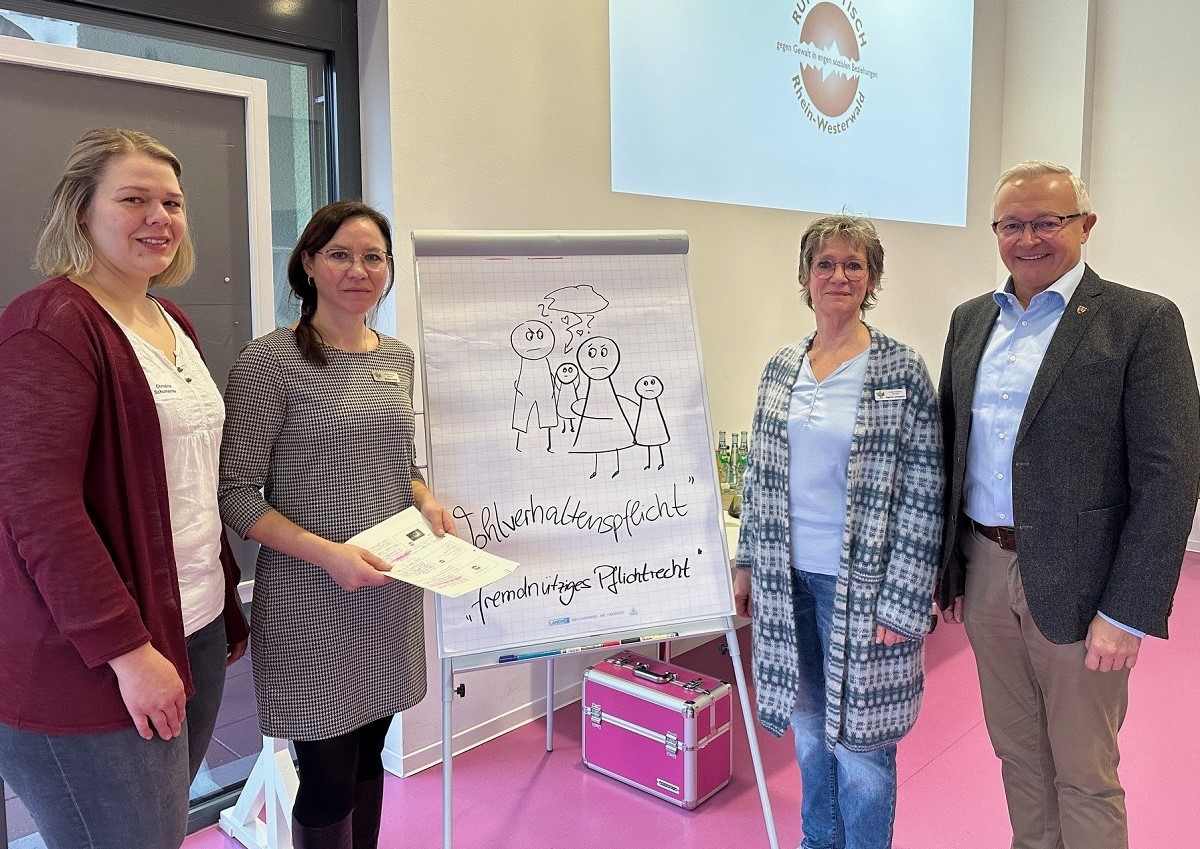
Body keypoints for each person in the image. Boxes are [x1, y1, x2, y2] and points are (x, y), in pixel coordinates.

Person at [937, 160, 1200, 849]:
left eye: (1047, 221)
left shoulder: (1141, 321)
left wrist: (1127, 611)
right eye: (1013, 224)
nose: (1029, 238)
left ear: (1085, 225)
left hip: (1086, 587)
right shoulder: (971, 322)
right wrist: (952, 572)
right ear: (996, 231)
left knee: (1084, 773)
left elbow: (1171, 476)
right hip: (985, 570)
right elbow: (952, 450)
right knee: (1019, 757)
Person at [0, 128, 249, 849]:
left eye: (172, 202)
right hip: (95, 657)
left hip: (189, 625)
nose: (160, 218)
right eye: (133, 199)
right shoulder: (48, 326)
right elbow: (37, 509)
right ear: (82, 213)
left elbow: (184, 478)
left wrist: (216, 610)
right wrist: (128, 652)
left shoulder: (173, 321)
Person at [218, 200, 456, 849]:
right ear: (308, 264)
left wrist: (425, 499)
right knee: (324, 776)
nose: (359, 269)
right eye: (341, 254)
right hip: (309, 601)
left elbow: (396, 465)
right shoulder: (269, 362)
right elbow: (236, 495)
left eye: (373, 256)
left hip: (388, 594)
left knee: (370, 753)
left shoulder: (397, 357)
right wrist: (328, 554)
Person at [733, 215, 944, 849]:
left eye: (854, 265)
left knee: (864, 744)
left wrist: (904, 599)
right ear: (805, 277)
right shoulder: (780, 369)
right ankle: (817, 841)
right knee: (807, 726)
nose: (839, 276)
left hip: (864, 585)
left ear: (871, 280)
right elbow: (760, 474)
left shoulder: (901, 371)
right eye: (825, 264)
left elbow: (924, 488)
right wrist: (746, 562)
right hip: (784, 578)